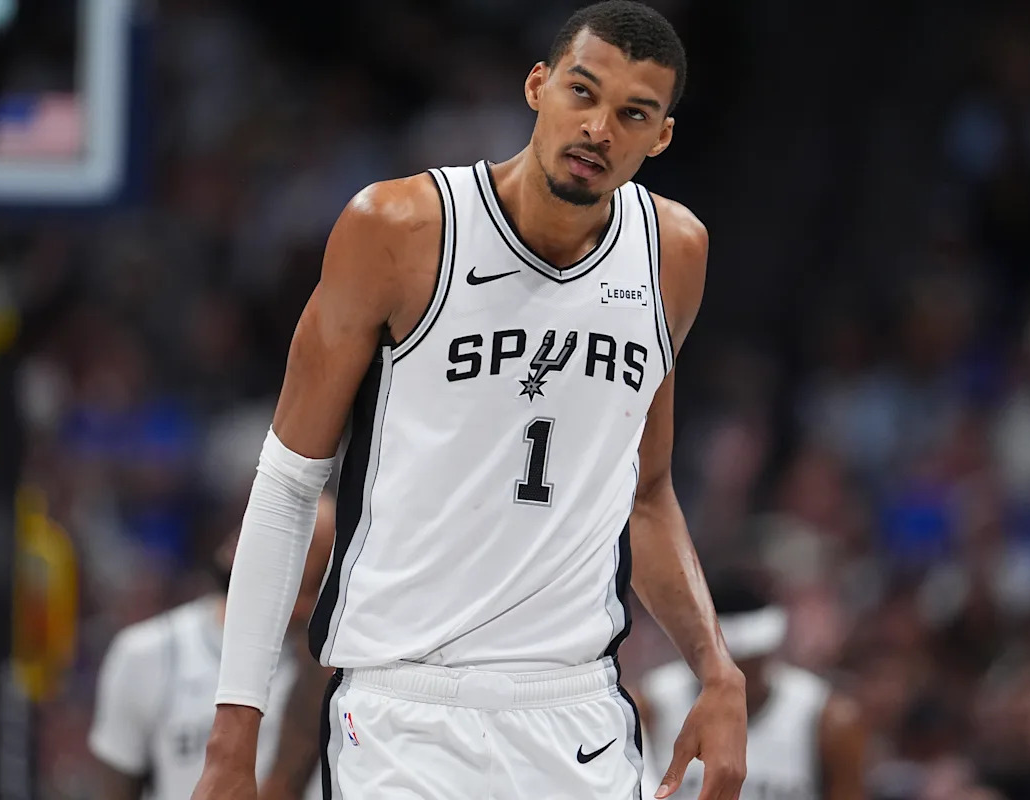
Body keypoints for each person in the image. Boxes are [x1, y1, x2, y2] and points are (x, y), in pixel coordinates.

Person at [193, 2, 748, 798]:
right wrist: (231, 739)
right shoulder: (398, 229)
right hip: (405, 709)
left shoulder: (673, 252)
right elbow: (287, 485)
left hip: (577, 713)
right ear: (537, 86)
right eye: (582, 93)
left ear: (660, 136)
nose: (598, 129)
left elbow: (647, 495)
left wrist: (717, 670)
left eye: (633, 114)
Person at [89, 495, 335, 800]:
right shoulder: (148, 653)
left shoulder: (333, 677)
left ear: (311, 596)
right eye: (265, 515)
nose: (259, 531)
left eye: (295, 535)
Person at [640, 569, 867, 799]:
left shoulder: (826, 720)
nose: (732, 678)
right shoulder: (649, 709)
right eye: (720, 664)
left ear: (768, 652)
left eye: (747, 664)